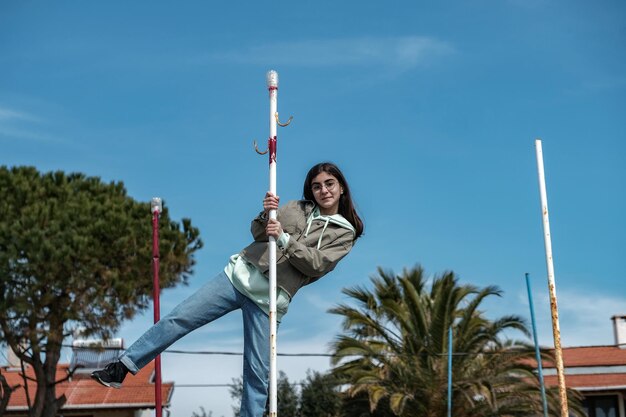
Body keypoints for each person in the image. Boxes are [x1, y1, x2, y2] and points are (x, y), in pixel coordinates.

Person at [91, 162, 364, 416]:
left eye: (329, 184)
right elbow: (258, 233)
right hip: (238, 276)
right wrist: (266, 213)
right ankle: (122, 367)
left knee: (257, 373)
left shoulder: (344, 233)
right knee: (179, 317)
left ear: (341, 188)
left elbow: (316, 264)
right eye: (317, 186)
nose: (323, 190)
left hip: (268, 300)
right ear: (311, 190)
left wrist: (283, 237)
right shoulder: (295, 207)